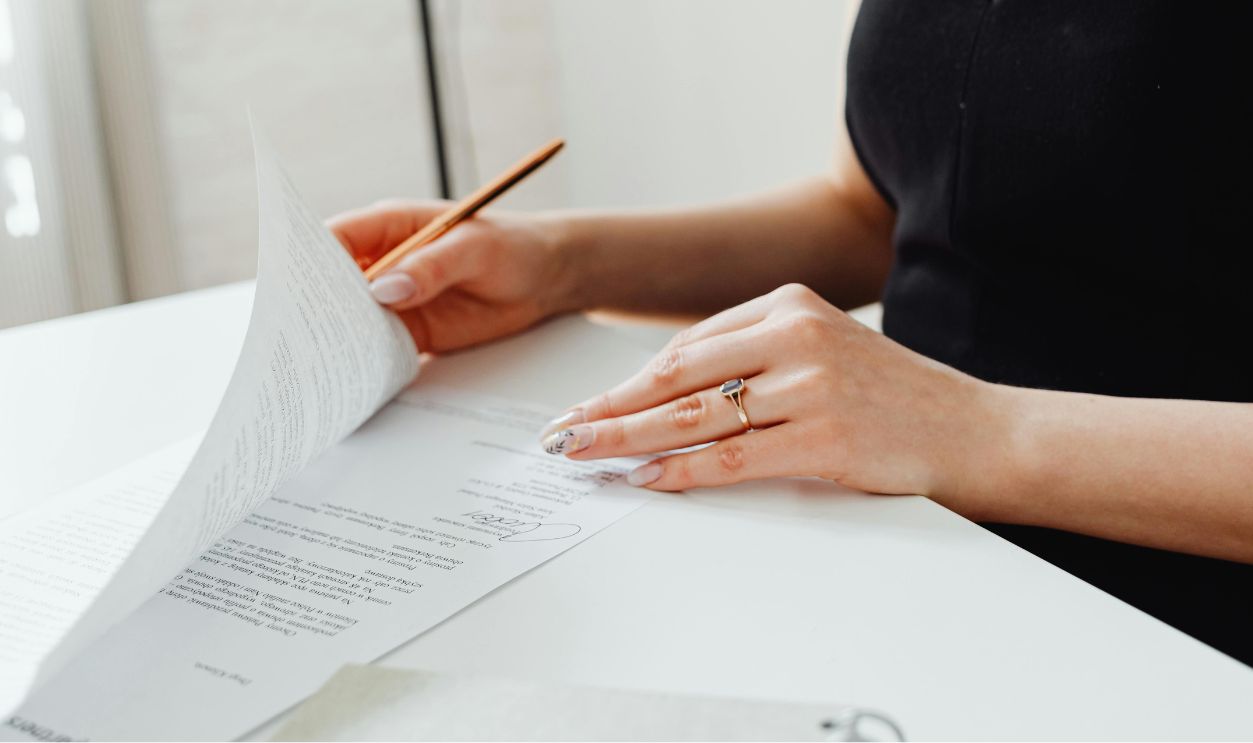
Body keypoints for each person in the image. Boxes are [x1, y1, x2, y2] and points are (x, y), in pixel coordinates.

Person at [330, 1, 1253, 665]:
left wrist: (973, 430)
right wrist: (559, 264)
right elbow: (875, 211)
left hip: (1171, 625)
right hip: (898, 549)